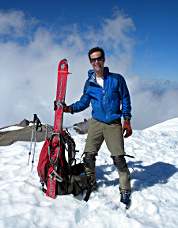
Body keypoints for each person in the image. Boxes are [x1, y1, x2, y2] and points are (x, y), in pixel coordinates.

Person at [58, 47, 132, 207]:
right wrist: (69, 108)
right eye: (93, 60)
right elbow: (84, 102)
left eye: (99, 59)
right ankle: (91, 183)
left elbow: (125, 98)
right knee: (89, 157)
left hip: (113, 123)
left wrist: (127, 120)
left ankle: (125, 189)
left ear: (104, 60)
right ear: (90, 62)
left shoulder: (117, 79)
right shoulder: (90, 83)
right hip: (96, 123)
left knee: (118, 159)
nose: (96, 62)